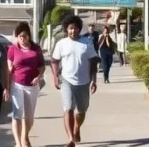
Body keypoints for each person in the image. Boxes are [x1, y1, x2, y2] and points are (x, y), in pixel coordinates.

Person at [51, 15, 98, 147]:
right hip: (66, 80)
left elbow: (93, 62)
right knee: (68, 108)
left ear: (79, 29)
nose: (73, 31)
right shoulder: (61, 44)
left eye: (76, 28)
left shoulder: (86, 43)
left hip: (84, 82)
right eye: (71, 28)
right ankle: (70, 139)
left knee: (81, 111)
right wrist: (55, 77)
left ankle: (77, 128)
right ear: (66, 29)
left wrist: (94, 80)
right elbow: (54, 62)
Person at [7, 22, 44, 147]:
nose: (22, 38)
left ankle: (25, 136)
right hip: (17, 84)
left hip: (32, 86)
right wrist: (7, 87)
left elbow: (42, 66)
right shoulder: (13, 49)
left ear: (29, 35)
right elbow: (9, 68)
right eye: (19, 36)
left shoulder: (36, 48)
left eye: (24, 36)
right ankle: (18, 143)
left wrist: (38, 76)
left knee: (29, 116)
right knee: (17, 114)